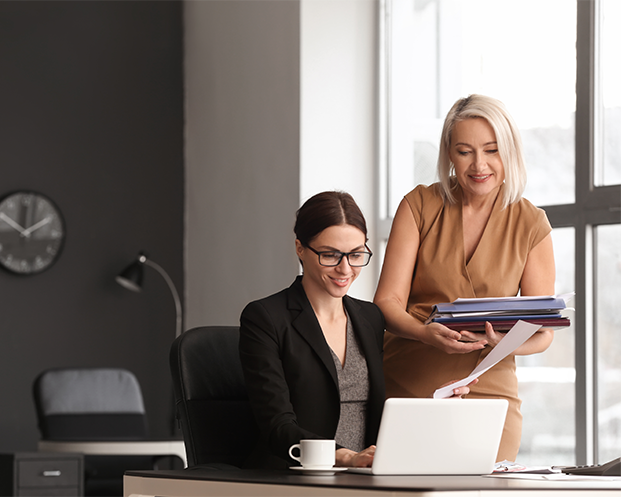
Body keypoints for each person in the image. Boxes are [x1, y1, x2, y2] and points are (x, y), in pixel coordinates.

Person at [374, 95, 556, 463]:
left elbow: (543, 333)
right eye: (464, 151)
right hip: (412, 384)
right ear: (449, 155)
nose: (479, 165)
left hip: (489, 392)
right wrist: (426, 332)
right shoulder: (419, 205)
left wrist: (499, 343)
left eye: (491, 150)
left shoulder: (531, 223)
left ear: (509, 151)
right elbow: (386, 302)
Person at [239, 191, 473, 469]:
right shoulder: (265, 317)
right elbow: (278, 426)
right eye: (330, 255)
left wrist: (431, 406)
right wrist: (346, 456)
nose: (345, 268)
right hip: (299, 476)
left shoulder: (370, 318)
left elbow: (373, 414)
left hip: (364, 475)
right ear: (300, 248)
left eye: (356, 254)